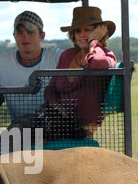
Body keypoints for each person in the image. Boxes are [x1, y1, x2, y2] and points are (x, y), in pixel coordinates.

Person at [0, 11, 64, 120]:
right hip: (19, 130)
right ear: (14, 36)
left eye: (30, 32)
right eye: (20, 32)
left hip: (55, 128)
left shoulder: (58, 57)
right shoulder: (1, 62)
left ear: (42, 36)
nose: (25, 36)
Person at [43, 6, 117, 139]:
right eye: (78, 31)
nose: (82, 34)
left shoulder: (106, 55)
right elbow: (50, 88)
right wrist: (57, 107)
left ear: (99, 32)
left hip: (84, 127)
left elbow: (98, 62)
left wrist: (93, 41)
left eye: (87, 30)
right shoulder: (67, 55)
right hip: (59, 122)